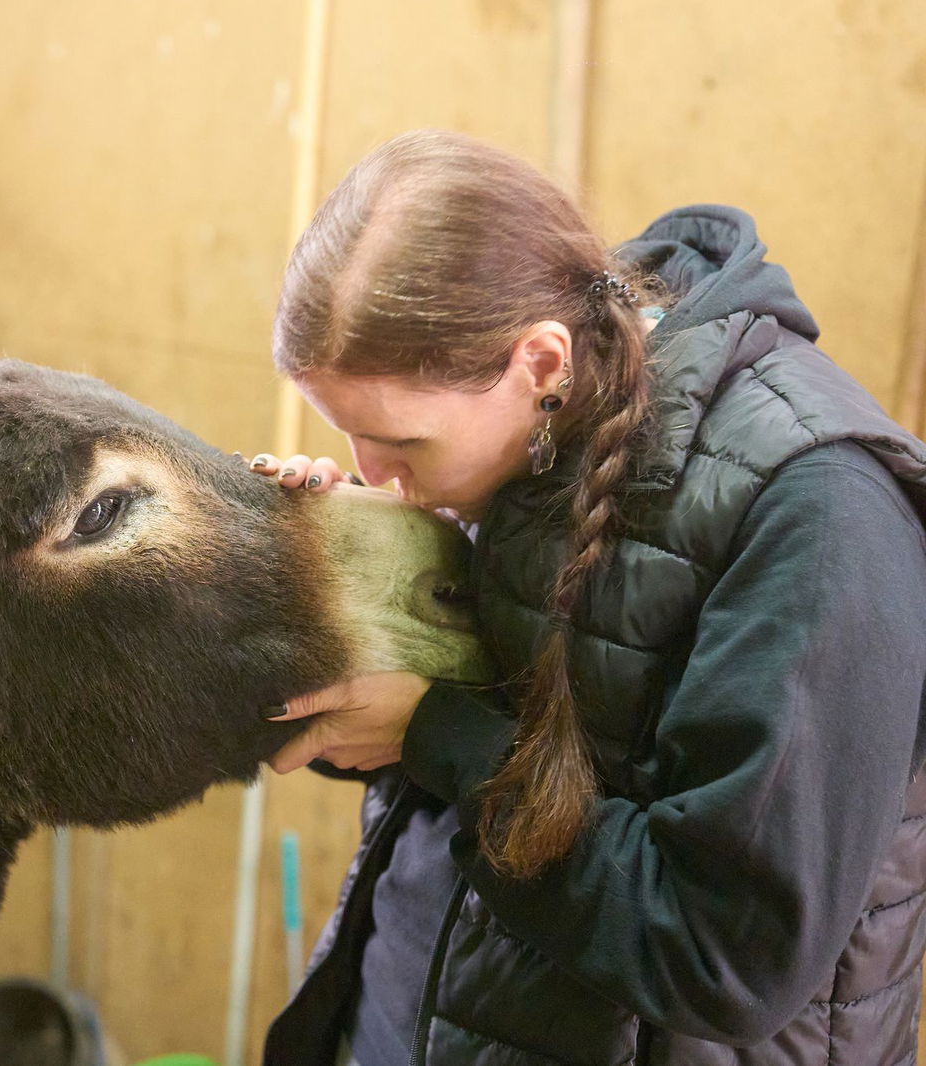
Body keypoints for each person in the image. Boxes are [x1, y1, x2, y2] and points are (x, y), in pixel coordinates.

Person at [247, 129, 926, 1066]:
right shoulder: (533, 428)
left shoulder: (820, 515)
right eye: (351, 437)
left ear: (539, 361)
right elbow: (458, 743)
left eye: (402, 442)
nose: (380, 475)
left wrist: (432, 733)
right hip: (410, 1016)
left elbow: (726, 955)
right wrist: (335, 590)